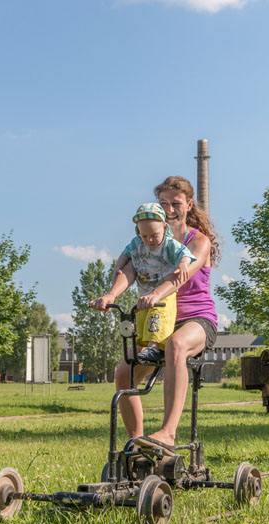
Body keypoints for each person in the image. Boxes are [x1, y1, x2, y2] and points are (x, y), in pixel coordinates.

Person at [91, 176, 219, 455]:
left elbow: (179, 278)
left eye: (176, 203)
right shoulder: (148, 242)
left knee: (176, 345)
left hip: (195, 320)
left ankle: (168, 433)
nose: (170, 209)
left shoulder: (198, 242)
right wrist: (112, 295)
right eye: (164, 204)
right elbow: (129, 270)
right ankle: (139, 446)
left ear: (189, 205)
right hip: (159, 322)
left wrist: (155, 295)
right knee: (124, 373)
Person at [119, 202, 195, 362]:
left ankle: (155, 348)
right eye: (144, 236)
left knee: (158, 317)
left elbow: (185, 253)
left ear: (164, 229)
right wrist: (117, 268)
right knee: (141, 321)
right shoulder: (137, 244)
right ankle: (146, 347)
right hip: (145, 293)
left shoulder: (169, 244)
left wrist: (182, 265)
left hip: (164, 293)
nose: (149, 240)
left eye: (154, 235)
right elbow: (125, 255)